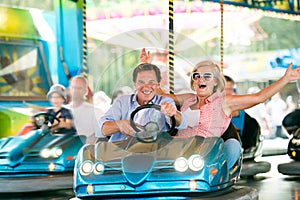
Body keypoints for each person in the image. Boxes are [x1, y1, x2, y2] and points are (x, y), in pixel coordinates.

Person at [139, 48, 300, 169]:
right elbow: (159, 94)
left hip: (205, 156)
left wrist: (285, 79)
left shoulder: (224, 102)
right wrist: (146, 67)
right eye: (197, 76)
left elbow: (259, 97)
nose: (200, 79)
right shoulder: (188, 98)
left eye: (207, 76)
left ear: (215, 82)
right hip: (178, 152)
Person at [97, 63, 187, 142]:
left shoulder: (165, 101)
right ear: (135, 85)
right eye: (141, 82)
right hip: (120, 153)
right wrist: (119, 125)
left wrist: (172, 113)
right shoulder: (122, 102)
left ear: (158, 85)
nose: (146, 87)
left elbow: (180, 123)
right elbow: (103, 129)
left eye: (151, 82)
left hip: (154, 153)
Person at [66, 75, 107, 143]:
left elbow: (103, 135)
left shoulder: (96, 112)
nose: (76, 91)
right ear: (69, 89)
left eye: (79, 88)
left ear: (86, 91)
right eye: (73, 87)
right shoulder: (61, 111)